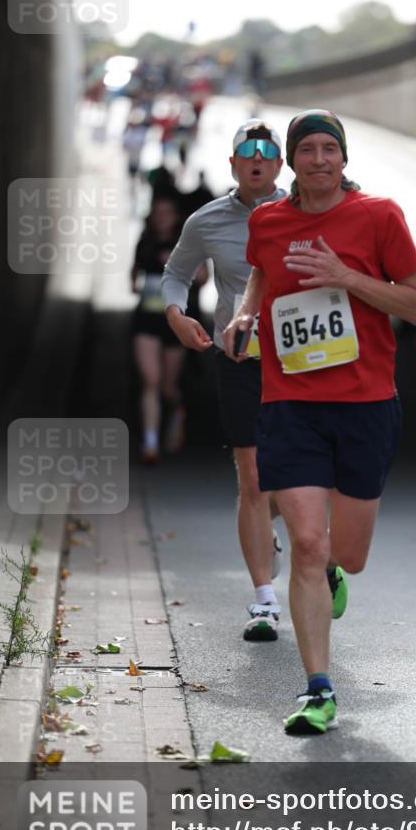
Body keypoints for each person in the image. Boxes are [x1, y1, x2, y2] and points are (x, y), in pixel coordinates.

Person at [223, 108, 416, 735]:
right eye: (306, 149)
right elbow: (263, 268)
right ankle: (318, 690)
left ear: (342, 157)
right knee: (307, 544)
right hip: (290, 404)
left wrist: (346, 277)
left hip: (365, 403)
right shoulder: (269, 220)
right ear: (291, 161)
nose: (318, 159)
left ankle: (338, 569)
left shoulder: (379, 216)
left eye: (327, 149)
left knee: (348, 555)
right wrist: (245, 314)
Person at [162, 119, 287, 641]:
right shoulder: (207, 220)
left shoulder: (303, 213)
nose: (257, 160)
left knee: (300, 478)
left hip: (303, 360)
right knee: (253, 477)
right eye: (246, 153)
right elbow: (175, 272)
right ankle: (264, 601)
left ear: (280, 164)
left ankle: (292, 537)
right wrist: (176, 314)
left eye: (267, 153)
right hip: (240, 358)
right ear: (234, 164)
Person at [131, 196, 189, 463]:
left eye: (167, 212)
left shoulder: (186, 244)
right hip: (147, 319)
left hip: (176, 321)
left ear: (176, 217)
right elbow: (133, 276)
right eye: (158, 213)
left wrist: (175, 266)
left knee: (167, 386)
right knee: (150, 380)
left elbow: (202, 277)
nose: (162, 218)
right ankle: (150, 442)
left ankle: (177, 409)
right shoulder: (145, 242)